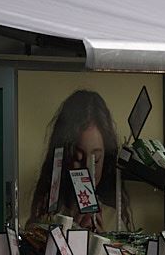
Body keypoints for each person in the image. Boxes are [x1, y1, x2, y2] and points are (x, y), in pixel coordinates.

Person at [31, 90, 122, 224]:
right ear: (64, 157)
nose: (87, 171)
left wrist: (102, 241)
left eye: (95, 160)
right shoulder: (45, 215)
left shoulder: (114, 218)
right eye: (79, 159)